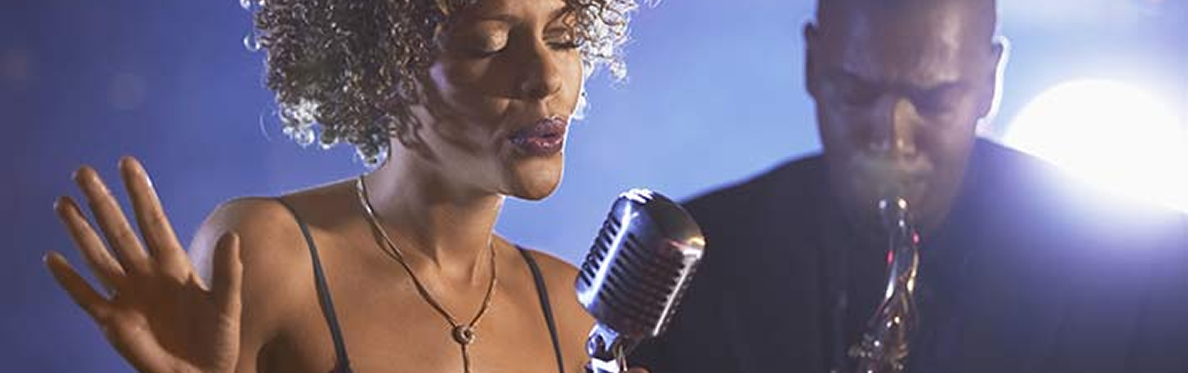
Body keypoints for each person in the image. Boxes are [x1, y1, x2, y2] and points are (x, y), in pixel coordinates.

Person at [43, 0, 653, 372]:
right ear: (380, 70)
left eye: (565, 37)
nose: (545, 77)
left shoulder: (573, 315)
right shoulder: (268, 254)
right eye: (488, 44)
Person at [631, 0, 1188, 372]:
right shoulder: (691, 261)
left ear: (990, 82)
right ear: (811, 63)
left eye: (935, 100)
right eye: (853, 92)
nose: (892, 139)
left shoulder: (1148, 278)